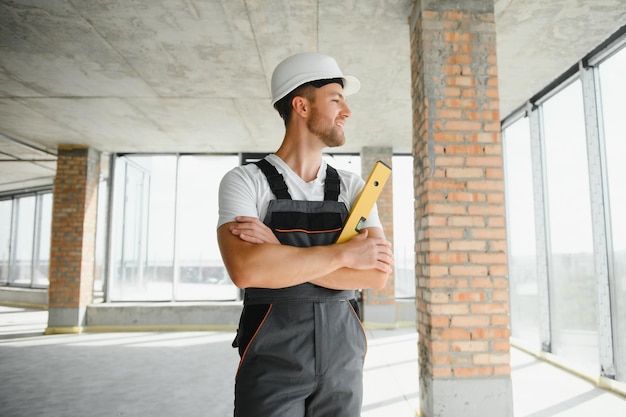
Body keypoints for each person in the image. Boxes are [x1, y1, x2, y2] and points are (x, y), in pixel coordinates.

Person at [216, 52, 394, 417]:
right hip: (271, 361)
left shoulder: (354, 187)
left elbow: (376, 275)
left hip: (344, 359)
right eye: (335, 99)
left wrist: (278, 250)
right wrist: (345, 256)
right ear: (301, 106)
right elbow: (247, 271)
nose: (347, 111)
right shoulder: (245, 181)